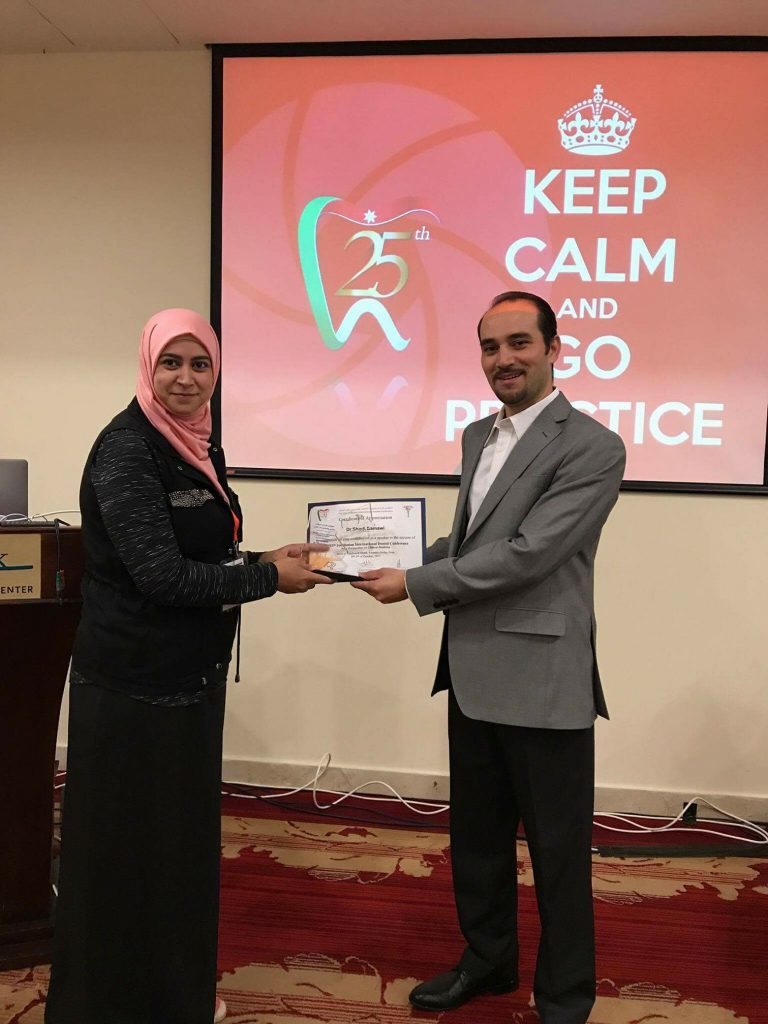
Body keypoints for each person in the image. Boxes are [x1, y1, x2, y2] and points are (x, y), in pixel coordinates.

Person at [45, 308, 332, 1024]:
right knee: (122, 860)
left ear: (216, 371)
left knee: (175, 857)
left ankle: (171, 997)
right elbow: (163, 579)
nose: (184, 377)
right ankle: (104, 1007)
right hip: (134, 689)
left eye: (199, 363)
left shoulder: (198, 444)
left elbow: (201, 552)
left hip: (186, 683)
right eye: (170, 362)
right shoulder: (126, 450)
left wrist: (264, 557)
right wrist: (269, 583)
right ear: (146, 366)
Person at [352, 291, 626, 1024]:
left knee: (559, 856)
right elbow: (474, 546)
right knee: (476, 843)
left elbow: (530, 557)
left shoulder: (594, 446)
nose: (503, 359)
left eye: (519, 343)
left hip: (542, 679)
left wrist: (416, 583)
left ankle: (565, 997)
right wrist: (375, 556)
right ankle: (488, 961)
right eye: (489, 346)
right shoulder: (478, 435)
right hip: (471, 669)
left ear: (553, 348)